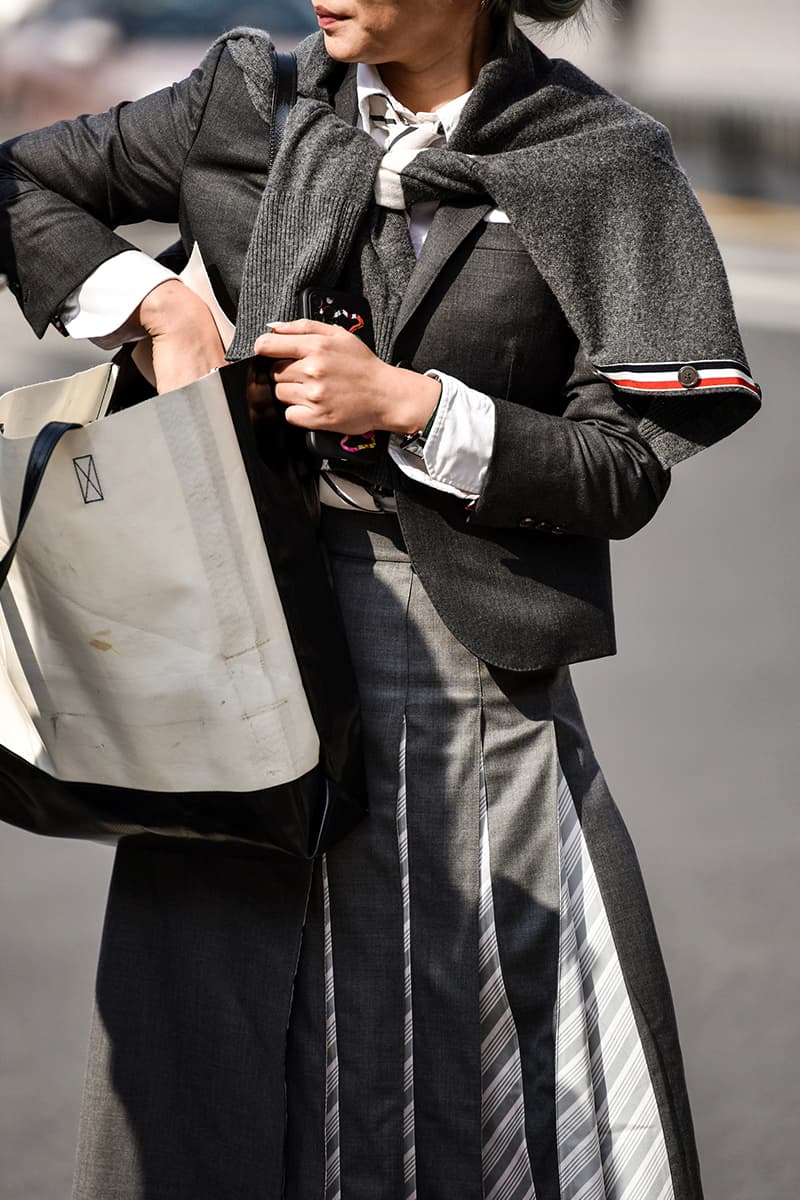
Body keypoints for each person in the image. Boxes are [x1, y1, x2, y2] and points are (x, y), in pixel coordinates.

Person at [0, 1, 760, 1198]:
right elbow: (14, 180)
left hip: (466, 675)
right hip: (232, 633)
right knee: (218, 1037)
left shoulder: (594, 150)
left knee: (476, 1067)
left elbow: (623, 469)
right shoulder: (248, 97)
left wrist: (413, 407)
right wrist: (157, 307)